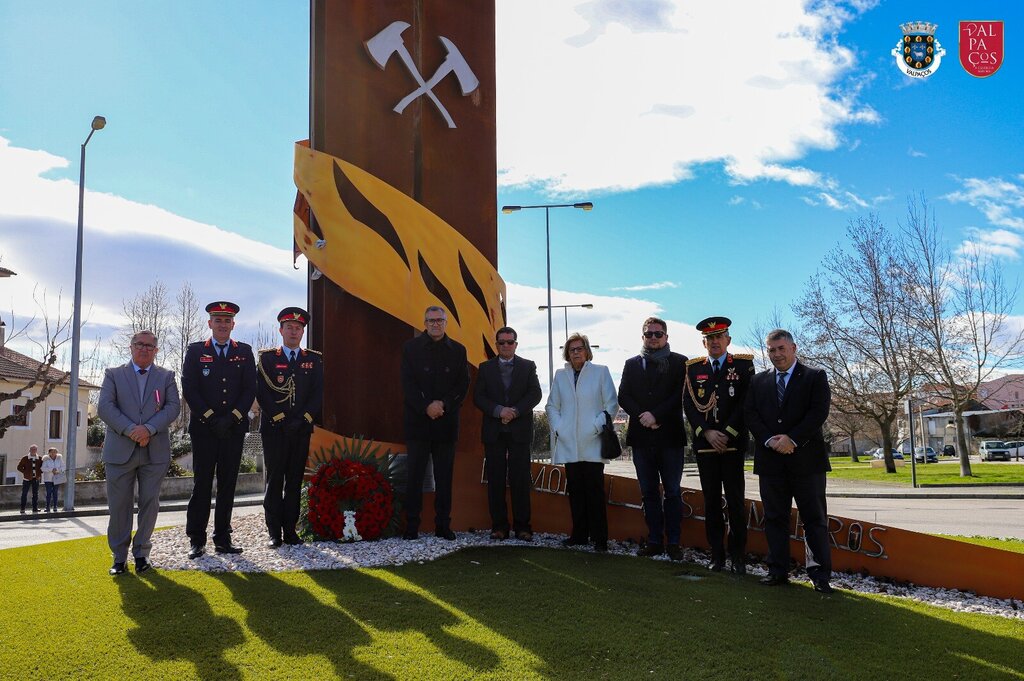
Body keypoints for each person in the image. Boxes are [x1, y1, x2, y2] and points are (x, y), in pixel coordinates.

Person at [743, 329, 833, 593]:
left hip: (806, 462)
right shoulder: (758, 381)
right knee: (774, 518)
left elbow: (818, 412)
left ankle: (819, 575)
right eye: (772, 350)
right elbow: (750, 414)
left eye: (781, 348)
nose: (777, 354)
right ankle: (777, 571)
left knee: (814, 520)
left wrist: (792, 439)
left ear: (793, 348)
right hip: (771, 462)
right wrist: (769, 440)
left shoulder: (815, 376)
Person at [97, 330, 181, 575]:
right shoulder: (113, 374)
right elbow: (105, 407)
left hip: (155, 451)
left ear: (156, 350)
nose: (144, 349)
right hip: (119, 450)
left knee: (149, 504)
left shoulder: (166, 376)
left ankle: (142, 553)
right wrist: (131, 430)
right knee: (119, 506)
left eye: (149, 346)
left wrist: (149, 429)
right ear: (131, 347)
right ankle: (119, 557)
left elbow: (173, 407)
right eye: (139, 344)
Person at [181, 301, 256, 559]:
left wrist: (232, 417)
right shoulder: (195, 351)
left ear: (233, 324)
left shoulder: (244, 351)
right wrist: (212, 418)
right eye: (218, 320)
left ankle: (223, 538)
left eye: (227, 321)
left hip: (233, 430)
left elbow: (250, 388)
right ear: (210, 323)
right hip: (204, 429)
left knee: (227, 485)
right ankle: (196, 539)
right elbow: (190, 388)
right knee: (202, 484)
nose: (222, 325)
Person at [682, 317, 755, 574]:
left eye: (719, 337)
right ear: (704, 343)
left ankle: (738, 557)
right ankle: (717, 555)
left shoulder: (743, 366)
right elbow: (689, 404)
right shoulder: (693, 369)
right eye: (710, 338)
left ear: (728, 340)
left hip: (732, 445)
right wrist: (706, 432)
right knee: (711, 502)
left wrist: (727, 432)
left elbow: (747, 401)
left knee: (735, 502)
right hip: (706, 445)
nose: (714, 342)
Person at [617, 317, 687, 560]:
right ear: (643, 337)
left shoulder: (680, 362)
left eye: (658, 334)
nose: (654, 338)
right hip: (641, 437)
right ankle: (655, 540)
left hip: (670, 437)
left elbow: (681, 395)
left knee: (673, 492)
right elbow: (623, 396)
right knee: (648, 493)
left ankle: (674, 542)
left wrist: (656, 415)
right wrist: (643, 416)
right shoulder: (631, 364)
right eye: (649, 334)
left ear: (666, 336)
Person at [400, 305, 470, 540]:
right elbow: (407, 384)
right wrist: (426, 406)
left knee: (444, 477)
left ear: (446, 323)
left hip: (446, 423)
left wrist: (443, 405)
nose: (436, 324)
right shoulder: (411, 348)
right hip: (418, 422)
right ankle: (411, 526)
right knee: (414, 476)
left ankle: (443, 525)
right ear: (425, 323)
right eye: (431, 320)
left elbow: (462, 385)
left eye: (440, 320)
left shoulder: (458, 350)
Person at [257, 307, 323, 548]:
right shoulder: (267, 359)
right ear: (281, 330)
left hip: (301, 429)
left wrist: (302, 419)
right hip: (275, 430)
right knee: (275, 480)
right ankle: (274, 531)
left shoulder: (313, 359)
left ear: (303, 332)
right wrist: (280, 418)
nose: (294, 332)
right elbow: (262, 393)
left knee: (294, 481)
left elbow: (317, 394)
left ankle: (291, 530)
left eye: (298, 328)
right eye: (289, 327)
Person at [546, 332, 618, 552]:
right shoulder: (560, 375)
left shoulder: (601, 372)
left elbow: (611, 404)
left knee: (595, 492)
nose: (576, 353)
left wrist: (595, 426)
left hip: (593, 442)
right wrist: (560, 428)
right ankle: (579, 536)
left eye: (579, 348)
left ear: (587, 351)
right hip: (569, 442)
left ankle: (600, 538)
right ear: (567, 354)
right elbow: (552, 406)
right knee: (575, 492)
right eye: (572, 349)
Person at [473, 326, 542, 541]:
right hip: (494, 432)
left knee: (520, 480)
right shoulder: (485, 368)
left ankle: (523, 527)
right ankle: (499, 527)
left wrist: (514, 412)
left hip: (519, 432)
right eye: (501, 342)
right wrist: (498, 411)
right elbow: (478, 397)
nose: (505, 345)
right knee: (495, 480)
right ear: (496, 345)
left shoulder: (528, 366)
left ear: (516, 344)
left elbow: (535, 394)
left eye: (509, 342)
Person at [17, 444, 43, 514]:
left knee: (35, 494)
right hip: (27, 479)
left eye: (35, 449)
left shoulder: (40, 459)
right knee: (24, 494)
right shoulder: (25, 458)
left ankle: (35, 508)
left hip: (36, 479)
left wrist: (39, 474)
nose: (33, 451)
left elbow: (43, 468)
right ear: (29, 450)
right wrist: (25, 472)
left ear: (36, 450)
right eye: (32, 449)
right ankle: (22, 509)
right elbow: (19, 467)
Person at [41, 447, 66, 513]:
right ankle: (47, 507)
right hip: (48, 479)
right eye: (51, 452)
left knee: (55, 493)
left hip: (57, 478)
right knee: (49, 493)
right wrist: (51, 470)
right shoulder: (46, 459)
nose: (53, 453)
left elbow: (63, 467)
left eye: (55, 452)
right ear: (49, 453)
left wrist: (58, 470)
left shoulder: (59, 459)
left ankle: (55, 506)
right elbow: (43, 468)